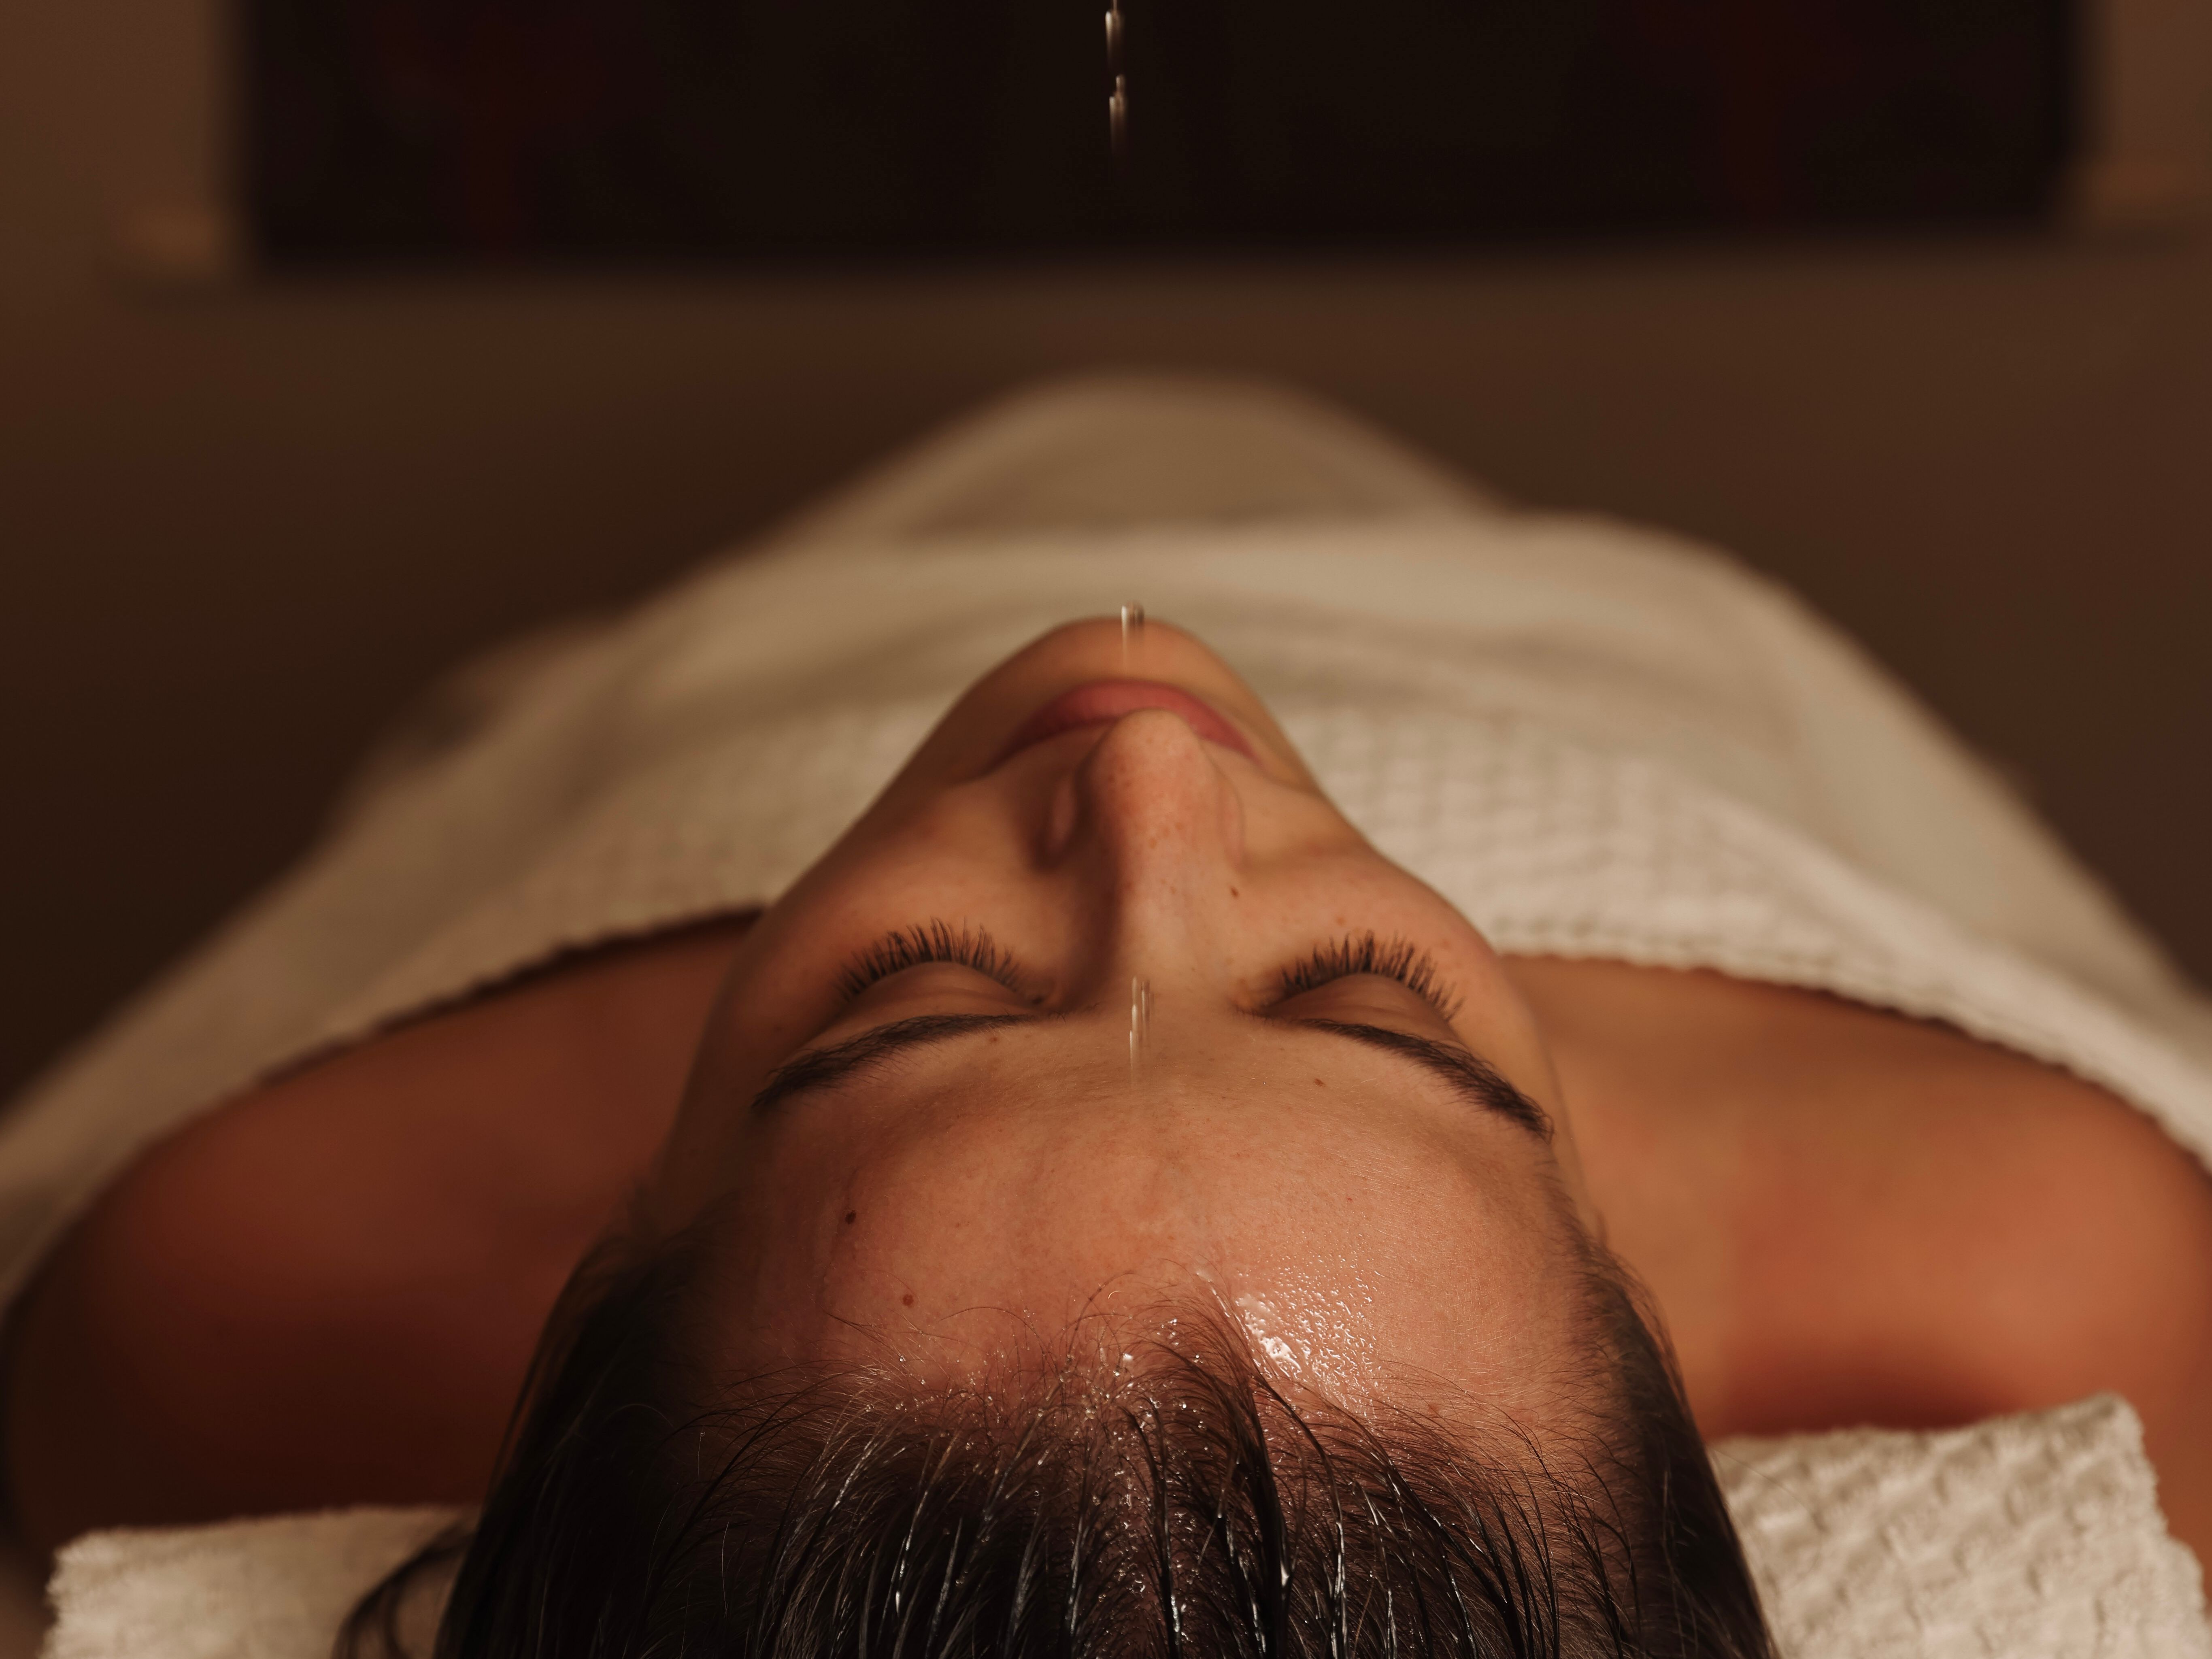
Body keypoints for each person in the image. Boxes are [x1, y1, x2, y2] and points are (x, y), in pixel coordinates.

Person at [3, 379, 2208, 1658]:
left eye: (903, 1001)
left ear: (600, 1264)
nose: (1146, 768)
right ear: (1649, 1332)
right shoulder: (2028, 1269)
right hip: (1608, 632)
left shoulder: (233, 1291)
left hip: (756, 630)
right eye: (1369, 1004)